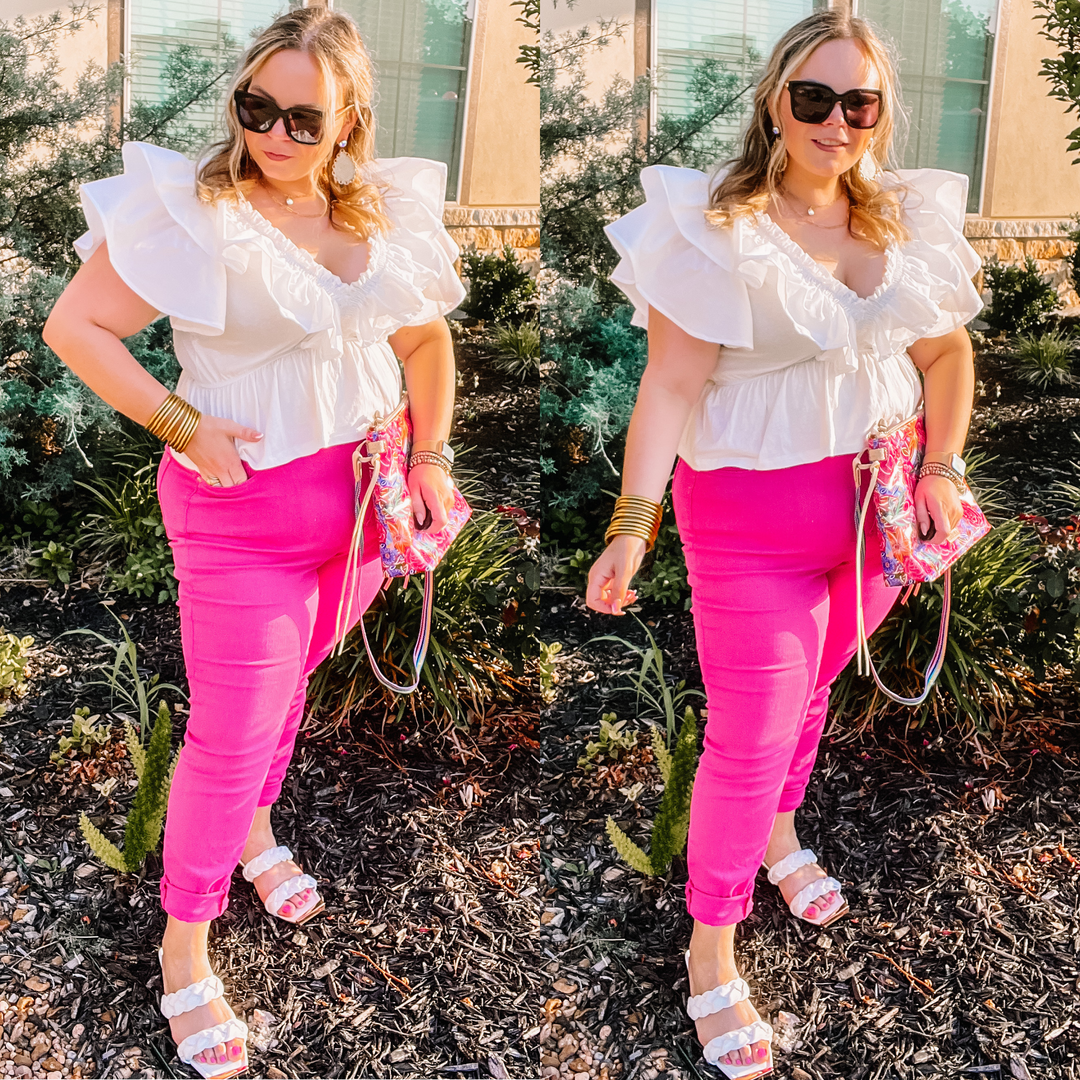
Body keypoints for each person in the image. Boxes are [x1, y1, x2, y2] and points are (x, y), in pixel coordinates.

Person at [42, 8, 465, 1077]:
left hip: (364, 514)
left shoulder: (379, 218)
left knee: (287, 693)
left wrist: (431, 458)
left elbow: (423, 339)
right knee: (228, 733)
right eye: (256, 108)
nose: (275, 133)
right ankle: (185, 948)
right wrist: (179, 424)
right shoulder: (196, 217)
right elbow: (73, 327)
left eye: (302, 116)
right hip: (239, 520)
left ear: (348, 121)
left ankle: (255, 831)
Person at [586, 10, 982, 1078]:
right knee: (749, 734)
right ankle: (710, 950)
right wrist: (632, 523)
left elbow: (947, 357)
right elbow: (668, 386)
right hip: (749, 528)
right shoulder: (720, 232)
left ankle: (778, 835)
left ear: (880, 113)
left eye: (859, 103)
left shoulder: (905, 223)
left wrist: (943, 468)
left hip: (881, 520)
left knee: (811, 696)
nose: (836, 120)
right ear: (776, 100)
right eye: (814, 97)